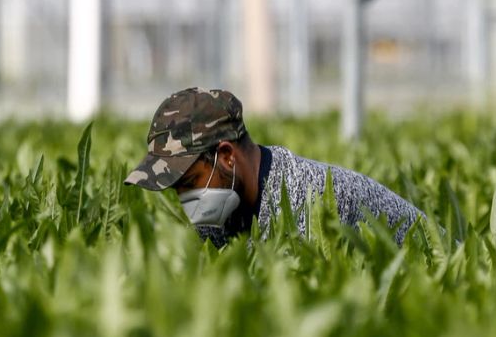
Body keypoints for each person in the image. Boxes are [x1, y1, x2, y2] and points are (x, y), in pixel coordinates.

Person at [124, 87, 425, 248]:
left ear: (226, 156)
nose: (184, 196)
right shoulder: (219, 210)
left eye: (188, 181)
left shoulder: (311, 202)